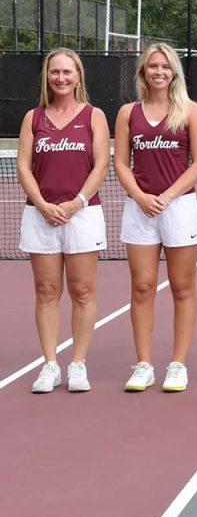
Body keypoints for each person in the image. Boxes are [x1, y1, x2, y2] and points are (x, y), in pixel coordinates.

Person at [114, 43, 197, 392]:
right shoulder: (128, 113)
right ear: (143, 72)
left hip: (179, 208)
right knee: (142, 287)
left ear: (174, 72)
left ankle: (178, 365)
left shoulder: (191, 111)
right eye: (152, 66)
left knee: (182, 287)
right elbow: (121, 163)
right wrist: (140, 196)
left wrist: (167, 196)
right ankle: (143, 365)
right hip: (139, 209)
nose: (158, 72)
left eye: (165, 67)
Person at [18, 48, 110, 393]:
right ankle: (50, 365)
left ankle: (77, 364)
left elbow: (101, 165)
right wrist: (42, 204)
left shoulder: (94, 116)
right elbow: (24, 166)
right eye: (55, 72)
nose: (61, 78)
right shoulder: (33, 118)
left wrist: (77, 202)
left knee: (83, 291)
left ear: (78, 76)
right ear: (47, 77)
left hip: (83, 215)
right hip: (39, 215)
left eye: (67, 72)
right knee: (46, 291)